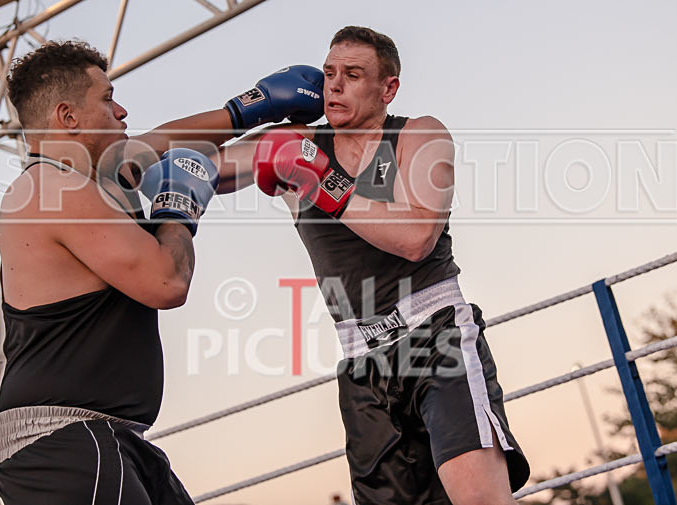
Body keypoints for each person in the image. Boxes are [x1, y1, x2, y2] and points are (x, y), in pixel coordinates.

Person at [0, 40, 323, 504]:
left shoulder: (89, 179)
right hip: (60, 443)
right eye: (107, 99)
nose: (122, 110)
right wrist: (178, 210)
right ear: (68, 117)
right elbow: (166, 282)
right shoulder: (51, 188)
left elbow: (163, 142)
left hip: (103, 436)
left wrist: (252, 107)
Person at [216, 26, 530, 504]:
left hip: (436, 335)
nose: (334, 86)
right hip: (361, 361)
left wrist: (323, 180)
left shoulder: (417, 133)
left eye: (353, 74)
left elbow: (416, 237)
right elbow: (184, 169)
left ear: (388, 88)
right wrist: (245, 110)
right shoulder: (297, 142)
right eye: (328, 74)